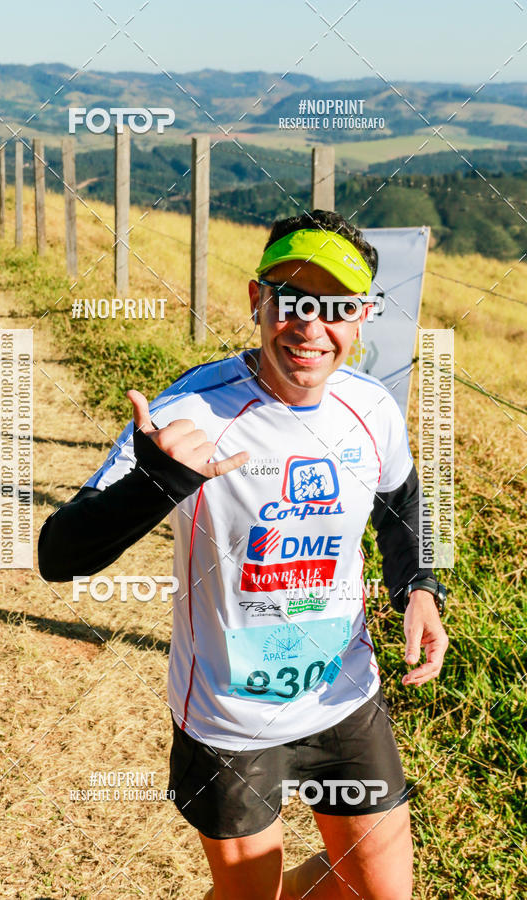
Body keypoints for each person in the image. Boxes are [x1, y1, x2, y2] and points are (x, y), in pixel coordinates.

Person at [38, 209, 449, 900]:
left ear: (363, 316)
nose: (310, 326)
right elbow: (59, 555)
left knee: (381, 892)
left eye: (336, 307)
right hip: (228, 719)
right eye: (292, 300)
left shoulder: (371, 407)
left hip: (344, 697)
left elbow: (400, 505)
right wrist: (155, 482)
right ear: (257, 300)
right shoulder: (191, 412)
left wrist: (420, 587)